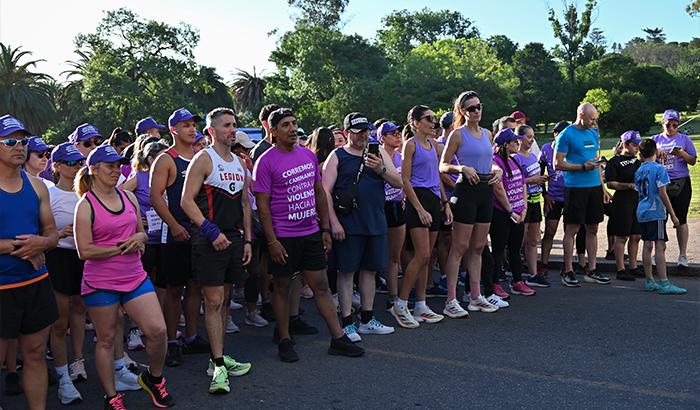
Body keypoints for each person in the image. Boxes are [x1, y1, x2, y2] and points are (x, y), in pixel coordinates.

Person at [254, 108, 363, 362]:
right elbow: (262, 206)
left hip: (310, 232)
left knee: (321, 286)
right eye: (285, 125)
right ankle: (284, 339)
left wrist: (324, 228)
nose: (292, 129)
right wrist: (272, 242)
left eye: (294, 123)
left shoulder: (307, 156)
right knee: (281, 288)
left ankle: (338, 338)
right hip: (283, 236)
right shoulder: (266, 162)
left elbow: (318, 194)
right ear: (273, 130)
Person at [73, 145, 173, 408]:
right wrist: (119, 248)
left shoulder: (128, 198)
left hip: (134, 277)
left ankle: (154, 379)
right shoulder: (85, 205)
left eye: (119, 166)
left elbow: (142, 231)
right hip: (100, 283)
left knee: (158, 331)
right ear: (93, 170)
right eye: (110, 166)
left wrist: (140, 237)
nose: (116, 171)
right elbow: (84, 251)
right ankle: (112, 397)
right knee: (106, 339)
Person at [181, 108, 253, 394]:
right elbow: (186, 202)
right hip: (209, 240)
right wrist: (212, 232)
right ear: (212, 131)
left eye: (234, 125)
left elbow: (246, 204)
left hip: (234, 240)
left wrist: (247, 240)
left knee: (223, 302)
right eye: (226, 126)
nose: (232, 130)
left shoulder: (239, 161)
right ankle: (218, 365)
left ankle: (218, 358)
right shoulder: (203, 159)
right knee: (212, 301)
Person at [0, 115, 59, 410]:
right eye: (10, 141)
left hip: (35, 282)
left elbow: (50, 232)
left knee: (35, 354)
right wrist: (22, 246)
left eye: (22, 141)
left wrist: (44, 243)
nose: (19, 147)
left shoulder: (37, 186)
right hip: (2, 288)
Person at [323, 112, 400, 338]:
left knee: (370, 271)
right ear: (347, 133)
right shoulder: (337, 155)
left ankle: (367, 317)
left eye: (366, 130)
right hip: (348, 224)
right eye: (358, 132)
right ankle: (347, 321)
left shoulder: (379, 153)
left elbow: (398, 182)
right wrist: (333, 223)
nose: (364, 135)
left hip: (375, 221)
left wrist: (380, 169)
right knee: (346, 272)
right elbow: (325, 191)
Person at [150, 108, 210, 368]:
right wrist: (173, 225)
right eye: (185, 125)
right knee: (174, 290)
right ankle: (171, 341)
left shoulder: (201, 156)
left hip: (198, 232)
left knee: (196, 286)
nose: (191, 129)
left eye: (193, 125)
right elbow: (155, 197)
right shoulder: (165, 159)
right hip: (175, 233)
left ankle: (192, 335)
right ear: (173, 129)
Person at [439, 91, 503, 314]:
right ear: (462, 111)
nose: (477, 111)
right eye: (471, 108)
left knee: (478, 247)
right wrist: (462, 168)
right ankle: (450, 300)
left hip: (485, 190)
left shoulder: (487, 133)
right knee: (459, 248)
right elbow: (443, 165)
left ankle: (476, 296)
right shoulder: (457, 134)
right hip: (466, 190)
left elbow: (490, 161)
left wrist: (497, 169)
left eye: (479, 106)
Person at [391, 106, 452, 327]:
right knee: (421, 254)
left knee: (427, 257)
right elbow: (405, 181)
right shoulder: (411, 145)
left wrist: (445, 203)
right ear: (416, 122)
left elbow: (437, 175)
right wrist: (419, 209)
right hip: (419, 201)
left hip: (434, 200)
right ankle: (400, 304)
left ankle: (421, 305)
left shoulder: (434, 145)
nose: (433, 122)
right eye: (428, 119)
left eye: (434, 118)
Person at [45, 142, 87, 404]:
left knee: (80, 311)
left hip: (84, 257)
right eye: (70, 163)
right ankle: (63, 376)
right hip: (59, 257)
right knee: (60, 322)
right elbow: (42, 231)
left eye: (79, 162)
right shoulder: (48, 194)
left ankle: (78, 361)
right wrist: (59, 233)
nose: (76, 167)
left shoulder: (88, 192)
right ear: (57, 166)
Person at [554, 103, 611, 287]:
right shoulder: (567, 134)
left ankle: (591, 269)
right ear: (581, 115)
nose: (594, 122)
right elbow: (558, 164)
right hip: (576, 188)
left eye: (595, 119)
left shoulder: (593, 133)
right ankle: (568, 270)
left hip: (594, 186)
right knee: (572, 229)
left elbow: (595, 161)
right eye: (591, 118)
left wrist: (602, 188)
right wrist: (581, 167)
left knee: (593, 228)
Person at [120, 140, 169, 312]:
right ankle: (136, 326)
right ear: (150, 159)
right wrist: (135, 218)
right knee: (142, 281)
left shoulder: (169, 174)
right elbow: (117, 196)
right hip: (146, 238)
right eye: (163, 156)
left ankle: (160, 315)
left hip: (166, 237)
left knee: (163, 282)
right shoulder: (139, 176)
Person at [634, 139, 685, 294]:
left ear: (640, 154)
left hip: (642, 210)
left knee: (647, 245)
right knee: (660, 245)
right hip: (655, 211)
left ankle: (649, 280)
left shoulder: (638, 171)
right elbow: (662, 193)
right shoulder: (659, 169)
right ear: (656, 151)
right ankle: (664, 282)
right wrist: (674, 215)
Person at [490, 129, 534, 299]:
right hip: (502, 212)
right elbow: (498, 189)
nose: (518, 143)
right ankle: (494, 283)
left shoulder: (514, 160)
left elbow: (522, 184)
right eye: (514, 141)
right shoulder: (496, 162)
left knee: (515, 249)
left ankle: (517, 281)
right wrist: (510, 211)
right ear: (505, 145)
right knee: (499, 250)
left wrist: (523, 208)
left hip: (518, 211)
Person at [651, 109, 697, 268]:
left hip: (681, 182)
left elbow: (692, 161)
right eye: (668, 124)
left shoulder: (684, 139)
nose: (671, 128)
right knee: (660, 219)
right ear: (662, 123)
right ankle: (659, 254)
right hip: (660, 183)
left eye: (674, 125)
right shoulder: (655, 139)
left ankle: (683, 255)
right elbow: (643, 157)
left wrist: (681, 153)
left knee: (681, 219)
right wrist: (656, 152)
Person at [514, 125, 550, 288]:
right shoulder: (516, 158)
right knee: (520, 239)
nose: (532, 140)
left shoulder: (532, 156)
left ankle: (533, 274)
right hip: (523, 202)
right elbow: (512, 180)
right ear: (520, 139)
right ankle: (516, 272)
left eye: (533, 136)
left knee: (533, 240)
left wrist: (541, 179)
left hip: (535, 200)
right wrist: (531, 180)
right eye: (529, 137)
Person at [605, 131, 642, 281]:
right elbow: (610, 183)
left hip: (638, 201)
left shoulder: (638, 160)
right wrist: (628, 185)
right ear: (625, 144)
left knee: (636, 236)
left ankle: (633, 267)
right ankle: (620, 269)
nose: (637, 148)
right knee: (621, 236)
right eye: (634, 145)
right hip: (622, 201)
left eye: (638, 145)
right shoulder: (614, 161)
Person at [377, 121, 404, 311]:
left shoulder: (401, 157)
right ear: (382, 138)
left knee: (394, 257)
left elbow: (406, 182)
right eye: (392, 133)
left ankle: (393, 297)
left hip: (396, 207)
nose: (397, 135)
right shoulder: (376, 157)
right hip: (379, 208)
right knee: (376, 258)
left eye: (398, 132)